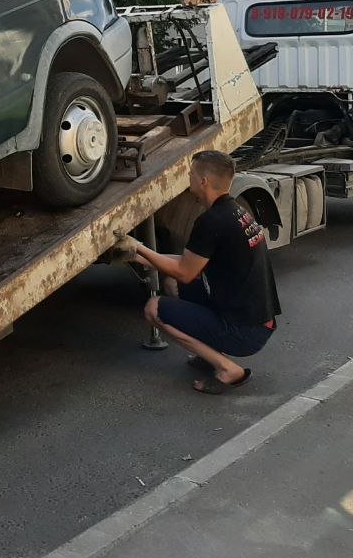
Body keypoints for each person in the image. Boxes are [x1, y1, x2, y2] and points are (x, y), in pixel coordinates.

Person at [112, 150, 280, 395]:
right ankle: (209, 355)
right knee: (173, 285)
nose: (188, 178)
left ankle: (227, 369)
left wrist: (138, 246)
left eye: (190, 174)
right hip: (258, 319)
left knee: (154, 308)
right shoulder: (236, 212)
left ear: (203, 181)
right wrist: (137, 256)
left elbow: (185, 272)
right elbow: (187, 263)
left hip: (245, 332)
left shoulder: (211, 222)